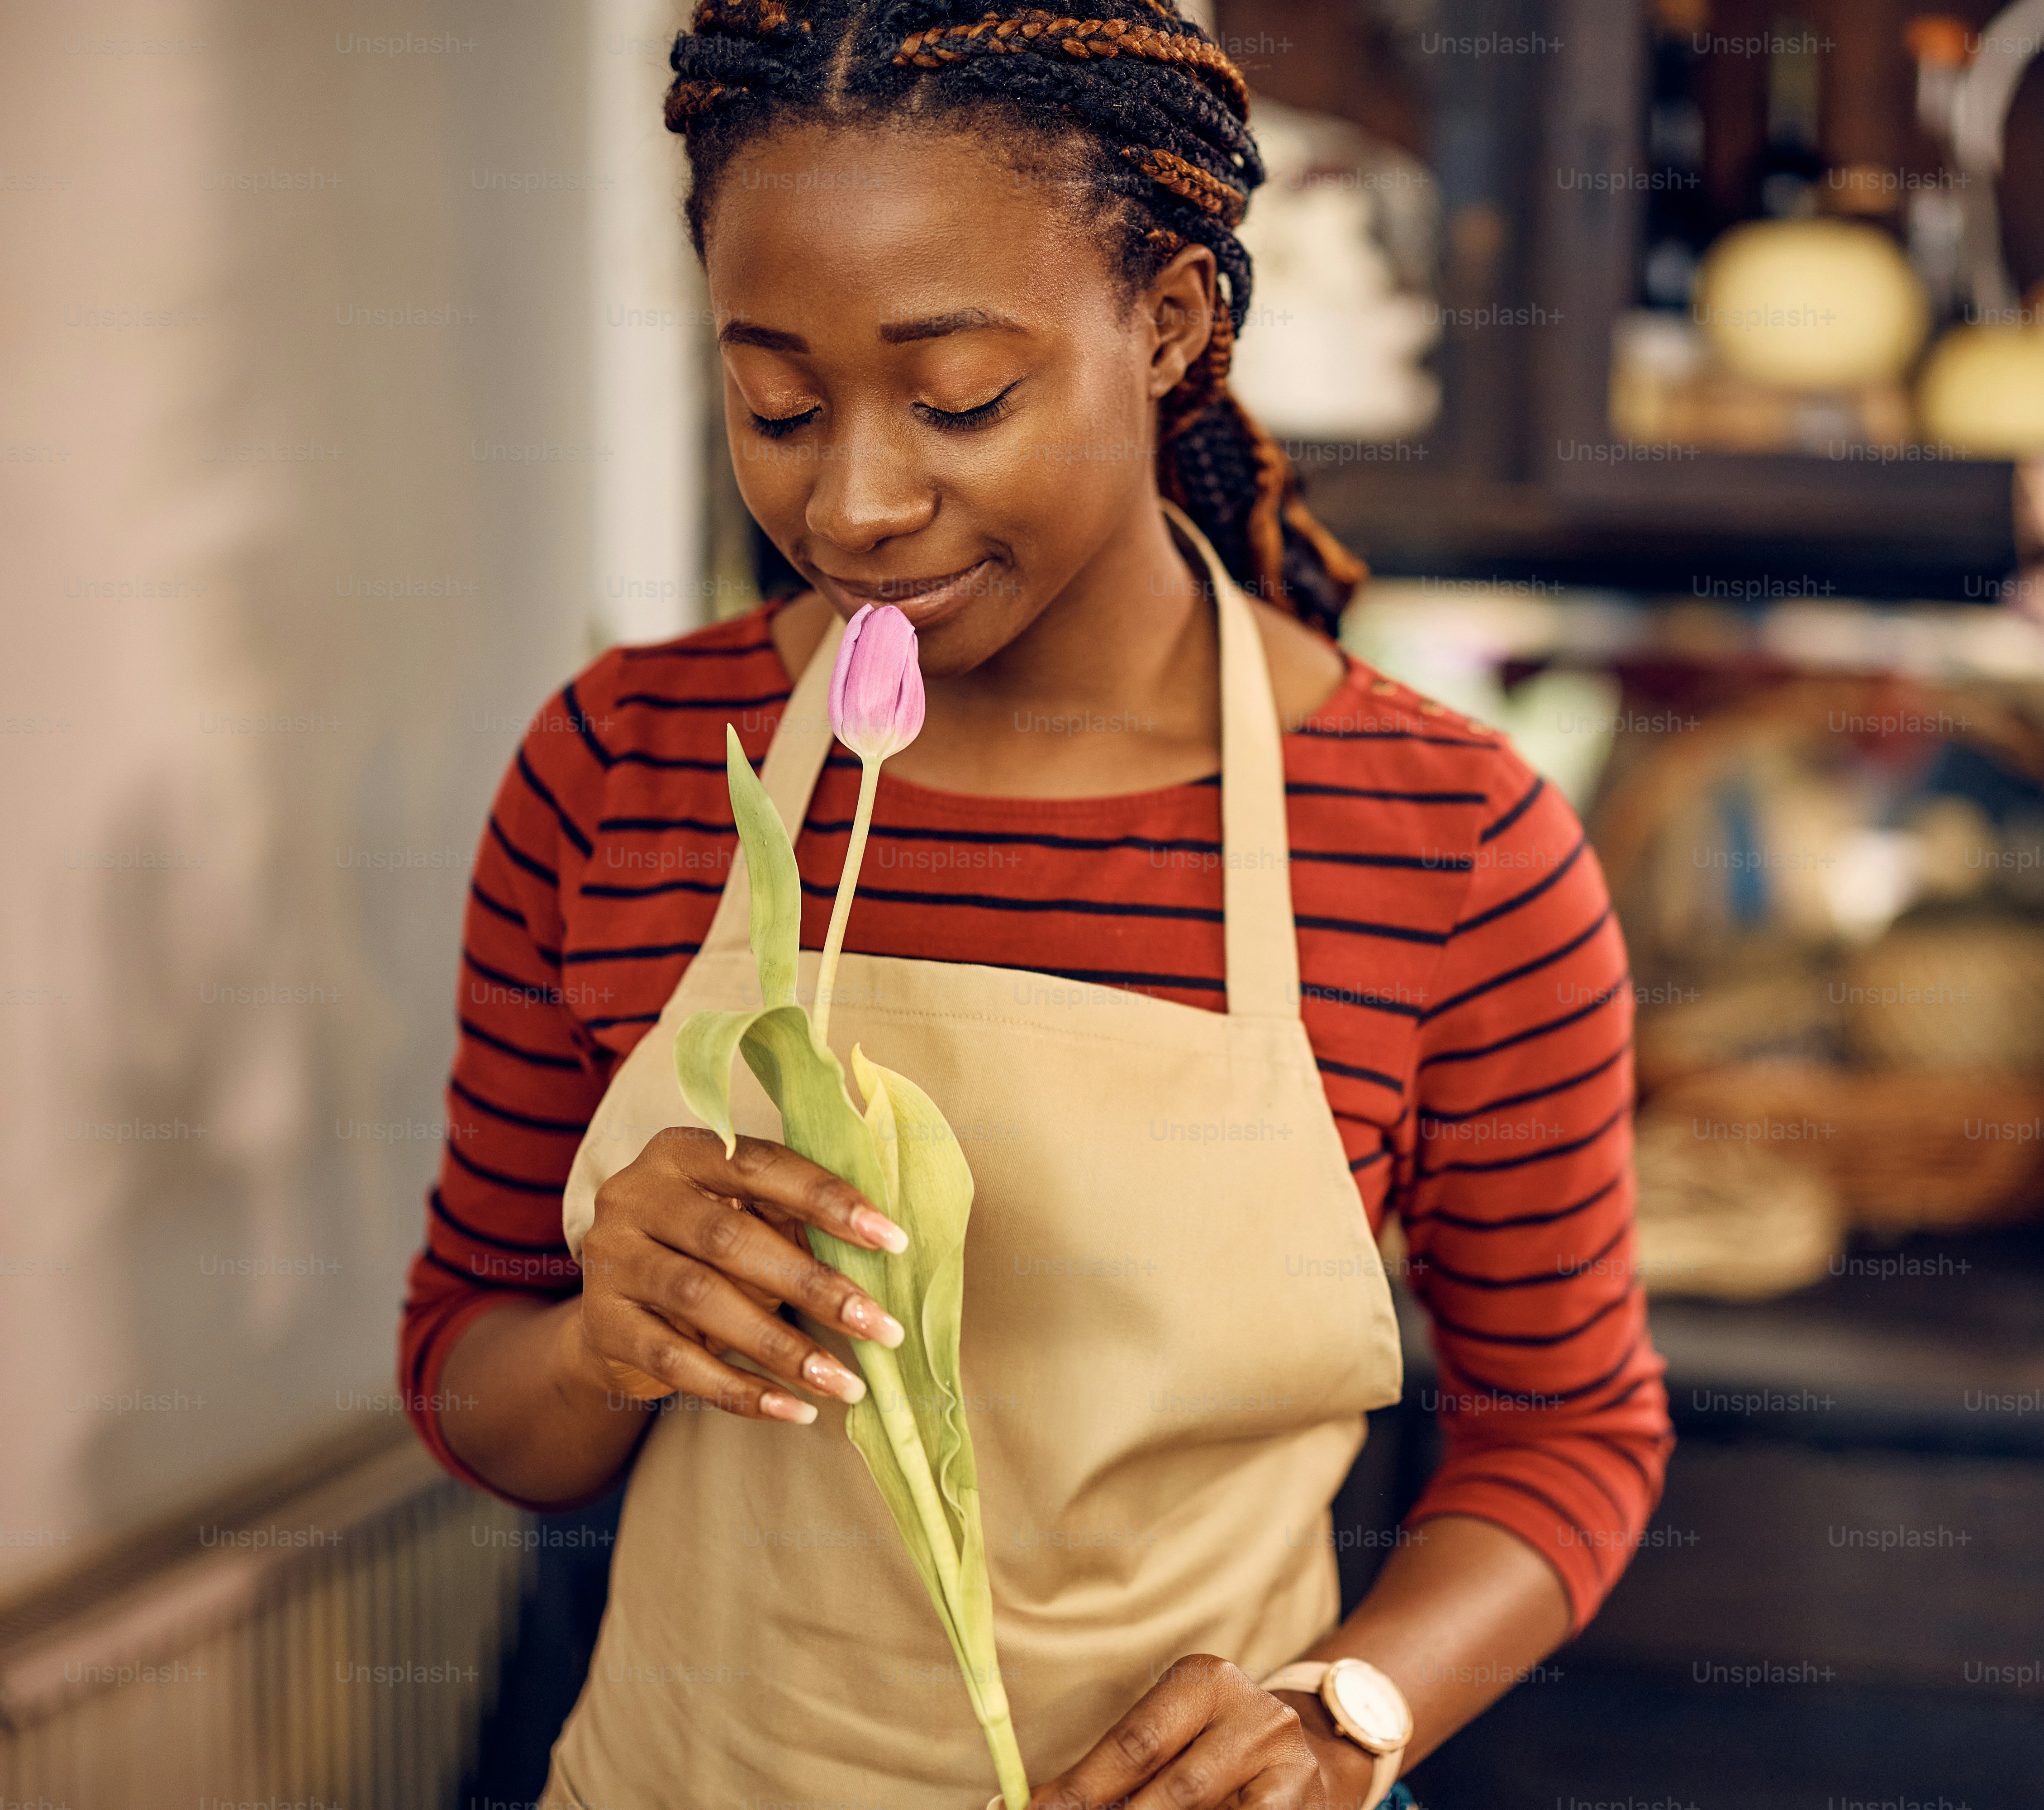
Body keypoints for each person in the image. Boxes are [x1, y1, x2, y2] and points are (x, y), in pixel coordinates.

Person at [396, 3, 1672, 1804]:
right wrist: (609, 1336)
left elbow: (1570, 1434)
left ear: (1170, 326)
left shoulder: (1445, 844)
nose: (856, 499)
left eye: (960, 400)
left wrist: (1344, 1711)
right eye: (776, 401)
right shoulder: (624, 767)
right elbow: (470, 1374)